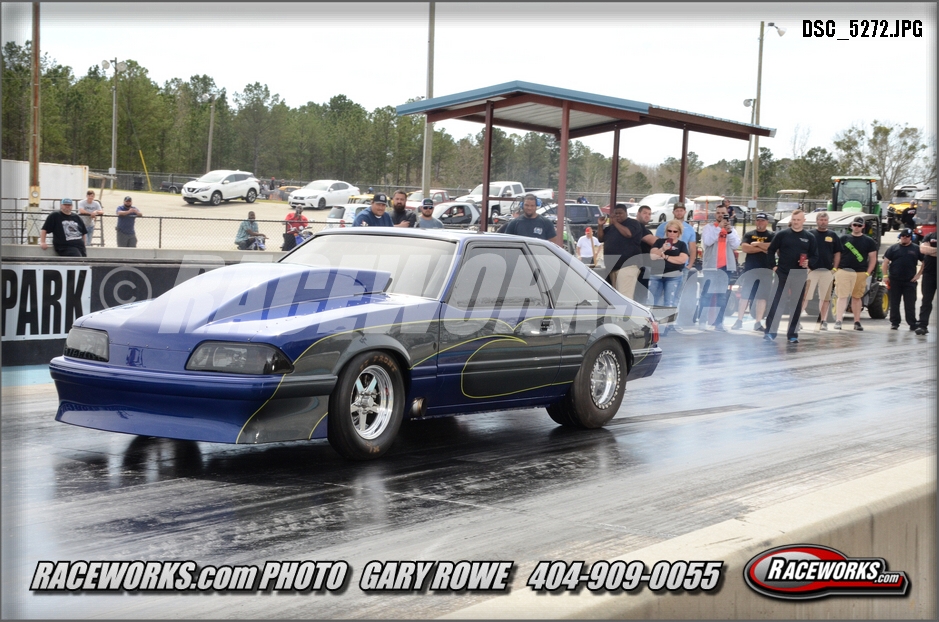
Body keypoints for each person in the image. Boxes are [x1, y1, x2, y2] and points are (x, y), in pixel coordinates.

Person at [763, 209, 817, 343]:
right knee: (776, 303)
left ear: (804, 221)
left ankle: (792, 334)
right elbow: (771, 250)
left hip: (799, 274)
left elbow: (815, 256)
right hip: (782, 273)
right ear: (791, 220)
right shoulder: (782, 234)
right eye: (794, 220)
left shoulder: (809, 237)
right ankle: (770, 332)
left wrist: (809, 262)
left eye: (798, 220)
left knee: (796, 304)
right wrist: (773, 266)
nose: (796, 222)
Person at [596, 203, 652, 300]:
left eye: (620, 213)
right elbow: (601, 239)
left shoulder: (633, 223)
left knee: (625, 296)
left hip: (628, 265)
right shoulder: (612, 227)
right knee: (616, 297)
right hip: (613, 266)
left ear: (626, 213)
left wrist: (615, 223)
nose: (618, 215)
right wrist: (600, 226)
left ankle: (627, 311)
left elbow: (628, 234)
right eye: (616, 213)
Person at [699, 204, 740, 330]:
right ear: (715, 214)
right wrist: (719, 228)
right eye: (718, 213)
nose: (721, 215)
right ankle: (702, 321)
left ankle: (719, 322)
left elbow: (736, 244)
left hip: (725, 267)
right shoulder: (709, 228)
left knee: (722, 296)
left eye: (723, 213)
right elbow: (707, 241)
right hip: (711, 267)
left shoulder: (731, 229)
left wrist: (729, 231)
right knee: (707, 294)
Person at [834, 216, 879, 331]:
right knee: (842, 296)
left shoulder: (869, 241)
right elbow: (837, 255)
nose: (857, 227)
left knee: (857, 297)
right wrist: (836, 269)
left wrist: (867, 273)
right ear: (851, 225)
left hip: (860, 272)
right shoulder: (843, 238)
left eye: (859, 225)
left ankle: (857, 321)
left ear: (863, 226)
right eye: (855, 225)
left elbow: (873, 258)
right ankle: (838, 320)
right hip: (843, 270)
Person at [732, 212, 775, 331]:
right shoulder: (749, 234)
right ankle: (739, 320)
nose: (760, 222)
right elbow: (745, 248)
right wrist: (762, 248)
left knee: (762, 297)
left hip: (766, 270)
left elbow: (772, 248)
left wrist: (757, 244)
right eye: (758, 220)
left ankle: (758, 322)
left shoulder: (772, 235)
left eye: (762, 220)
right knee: (745, 295)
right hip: (751, 270)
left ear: (767, 222)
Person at [801, 211, 843, 329]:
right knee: (805, 296)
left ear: (828, 221)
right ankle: (797, 321)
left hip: (827, 271)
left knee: (825, 298)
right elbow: (803, 250)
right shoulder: (810, 234)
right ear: (817, 221)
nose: (823, 222)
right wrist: (806, 265)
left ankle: (823, 321)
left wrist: (834, 268)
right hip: (811, 270)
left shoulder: (833, 235)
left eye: (825, 220)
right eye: (821, 220)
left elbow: (837, 253)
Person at [882, 228, 923, 331]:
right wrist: (885, 276)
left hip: (910, 281)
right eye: (903, 236)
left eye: (907, 236)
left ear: (911, 237)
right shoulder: (893, 248)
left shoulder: (916, 249)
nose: (905, 238)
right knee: (894, 303)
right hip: (894, 280)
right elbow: (885, 262)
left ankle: (912, 323)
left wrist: (918, 274)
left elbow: (925, 262)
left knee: (910, 304)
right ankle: (895, 323)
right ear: (900, 236)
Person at [647, 220, 689, 307]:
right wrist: (662, 249)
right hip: (656, 275)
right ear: (666, 232)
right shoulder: (659, 242)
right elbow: (652, 256)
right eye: (669, 231)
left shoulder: (681, 244)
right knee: (652, 302)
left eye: (675, 231)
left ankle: (669, 316)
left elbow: (682, 260)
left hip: (673, 276)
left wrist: (666, 257)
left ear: (679, 233)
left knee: (669, 303)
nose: (672, 233)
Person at [916, 231, 937, 334]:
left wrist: (931, 250)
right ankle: (922, 325)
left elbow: (927, 250)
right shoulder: (930, 235)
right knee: (926, 301)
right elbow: (922, 249)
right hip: (929, 274)